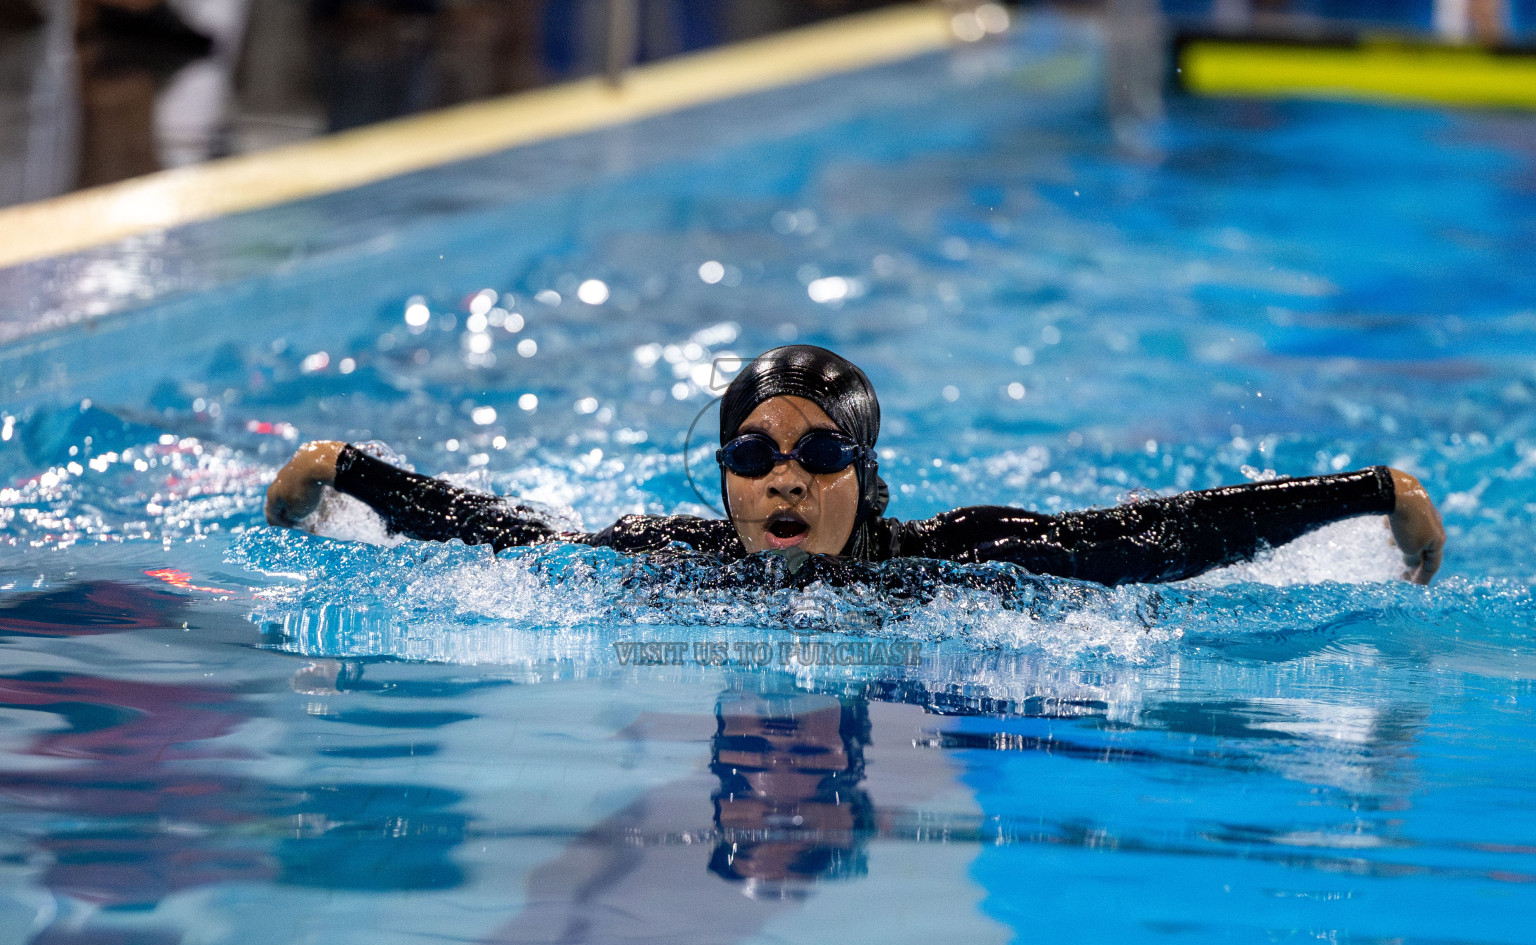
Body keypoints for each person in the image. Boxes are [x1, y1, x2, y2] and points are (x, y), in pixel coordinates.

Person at [265, 345, 1445, 586]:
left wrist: (1366, 492)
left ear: (866, 479)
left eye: (821, 454)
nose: (786, 482)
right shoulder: (669, 560)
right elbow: (505, 537)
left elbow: (1144, 537)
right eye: (754, 456)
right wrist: (345, 467)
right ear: (723, 478)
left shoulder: (961, 557)